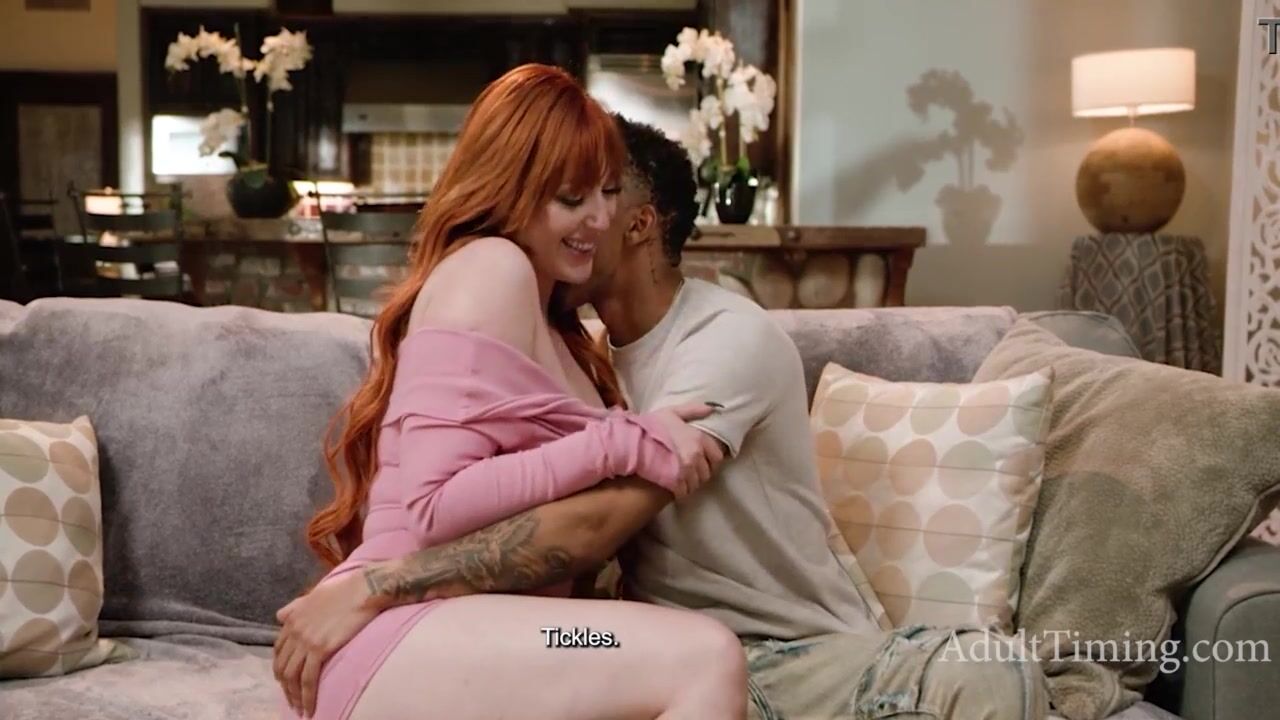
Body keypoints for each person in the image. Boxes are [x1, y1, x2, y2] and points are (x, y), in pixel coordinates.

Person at [276, 115, 1051, 719]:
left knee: (990, 671)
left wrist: (378, 586)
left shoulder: (724, 342)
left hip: (790, 654)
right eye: (568, 194)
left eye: (600, 195)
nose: (582, 217)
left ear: (640, 222)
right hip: (656, 657)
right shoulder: (582, 355)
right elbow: (450, 491)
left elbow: (591, 527)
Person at [274, 65, 750, 720]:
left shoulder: (555, 320)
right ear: (512, 190)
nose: (600, 218)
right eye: (572, 198)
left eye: (609, 192)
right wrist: (623, 443)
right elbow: (434, 508)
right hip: (404, 628)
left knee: (667, 650)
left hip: (500, 632)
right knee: (705, 655)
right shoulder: (490, 269)